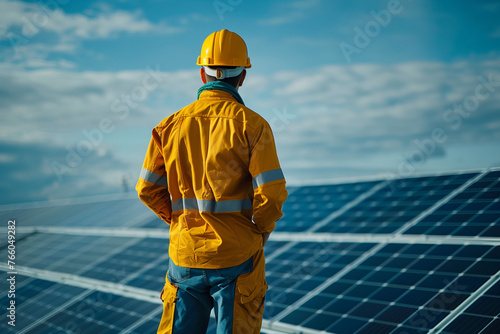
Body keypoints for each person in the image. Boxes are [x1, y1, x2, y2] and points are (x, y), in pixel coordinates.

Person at [136, 29, 288, 334]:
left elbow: (147, 189)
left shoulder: (168, 126)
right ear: (242, 76)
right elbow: (270, 195)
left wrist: (179, 222)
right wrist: (259, 231)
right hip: (238, 255)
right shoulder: (253, 126)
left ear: (202, 75)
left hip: (185, 254)